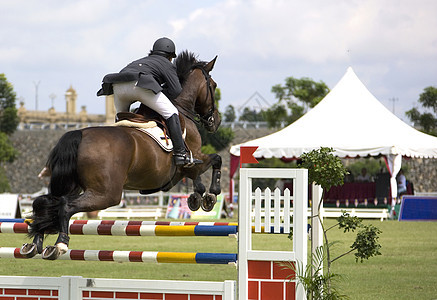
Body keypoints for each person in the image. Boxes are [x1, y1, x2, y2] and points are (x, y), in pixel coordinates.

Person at [97, 37, 201, 167]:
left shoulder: (140, 61)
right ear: (170, 56)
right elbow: (176, 90)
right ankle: (181, 154)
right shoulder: (166, 63)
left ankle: (116, 151)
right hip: (138, 84)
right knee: (171, 112)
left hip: (117, 87)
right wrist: (159, 92)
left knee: (122, 121)